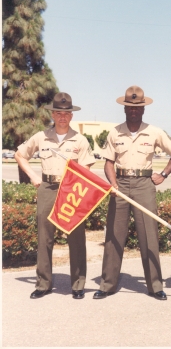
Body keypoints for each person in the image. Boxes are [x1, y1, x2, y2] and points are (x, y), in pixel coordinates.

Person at [93, 85, 171, 300]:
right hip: (120, 185)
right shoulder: (115, 132)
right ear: (124, 108)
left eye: (138, 107)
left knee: (149, 235)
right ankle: (107, 285)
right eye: (130, 107)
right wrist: (113, 183)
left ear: (143, 109)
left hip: (144, 185)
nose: (133, 110)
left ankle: (155, 286)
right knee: (114, 235)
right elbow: (108, 163)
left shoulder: (154, 132)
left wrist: (163, 174)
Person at [15, 92, 95, 300]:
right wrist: (33, 176)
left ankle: (78, 284)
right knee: (45, 237)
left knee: (76, 238)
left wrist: (79, 190)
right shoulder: (41, 137)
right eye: (58, 113)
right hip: (48, 188)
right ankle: (43, 284)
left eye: (66, 113)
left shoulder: (80, 140)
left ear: (71, 116)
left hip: (72, 191)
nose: (62, 117)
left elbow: (86, 170)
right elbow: (19, 154)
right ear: (53, 114)